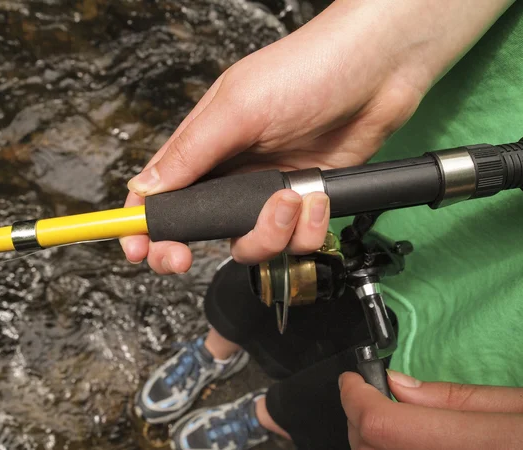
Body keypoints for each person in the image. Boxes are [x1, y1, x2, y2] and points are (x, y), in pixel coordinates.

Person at [123, 0, 523, 449]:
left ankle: (267, 416)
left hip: (496, 315)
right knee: (259, 273)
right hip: (371, 167)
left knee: (367, 393)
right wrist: (380, 39)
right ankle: (216, 352)